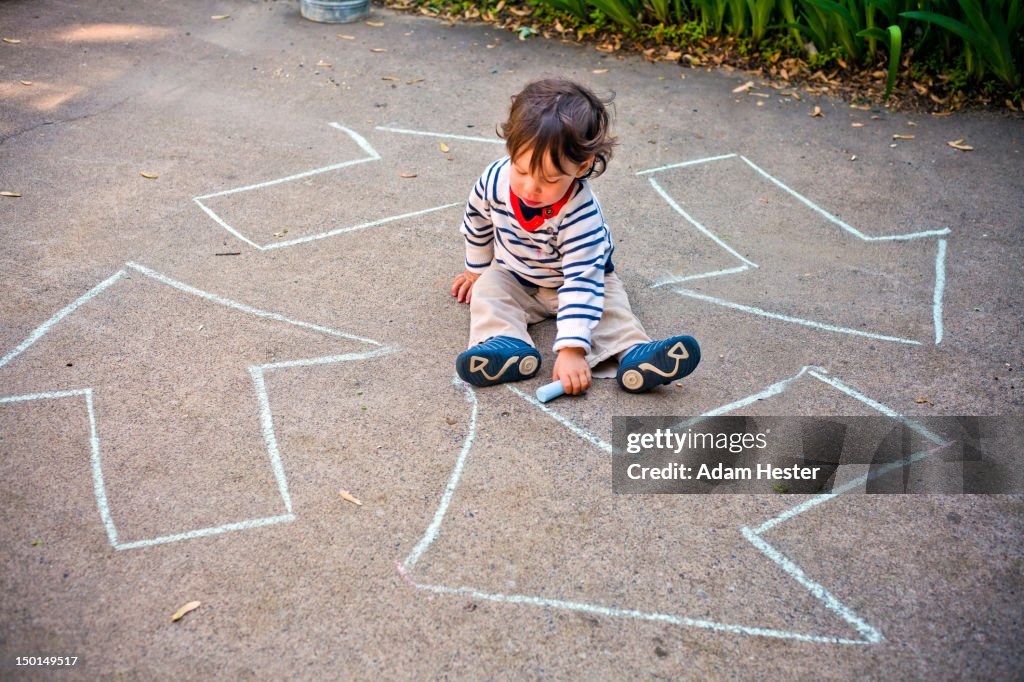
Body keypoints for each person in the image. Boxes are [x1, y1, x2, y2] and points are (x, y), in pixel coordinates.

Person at [451, 77, 700, 396]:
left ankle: (635, 355)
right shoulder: (494, 179)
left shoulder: (581, 215)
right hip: (517, 276)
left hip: (582, 280)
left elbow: (583, 282)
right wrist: (476, 269)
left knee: (610, 309)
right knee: (489, 289)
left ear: (581, 167)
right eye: (523, 170)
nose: (531, 188)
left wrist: (572, 351)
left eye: (549, 179)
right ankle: (506, 344)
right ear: (510, 149)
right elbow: (477, 221)